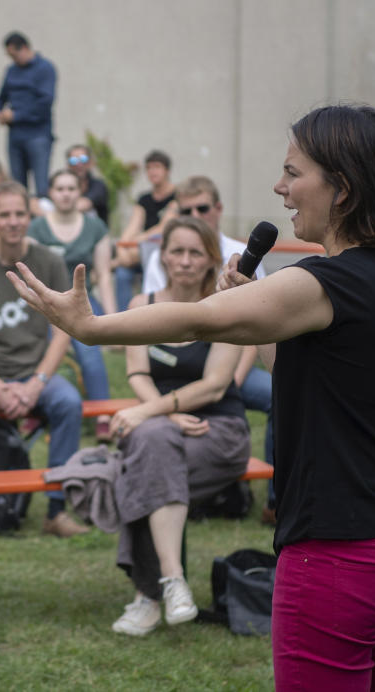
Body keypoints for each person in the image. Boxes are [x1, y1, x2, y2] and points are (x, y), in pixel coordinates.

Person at [8, 104, 375, 689]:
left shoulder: (324, 282)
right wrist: (260, 317)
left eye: (294, 172)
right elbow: (310, 374)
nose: (279, 187)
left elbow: (196, 319)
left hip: (341, 556)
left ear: (343, 188)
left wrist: (91, 327)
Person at [110, 216, 250, 636]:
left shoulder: (225, 308)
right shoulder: (141, 306)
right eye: (177, 251)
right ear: (163, 255)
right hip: (161, 427)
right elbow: (137, 374)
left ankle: (148, 597)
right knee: (152, 448)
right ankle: (172, 583)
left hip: (218, 431)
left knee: (142, 462)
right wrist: (162, 415)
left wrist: (149, 414)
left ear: (211, 259)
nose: (185, 261)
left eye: (195, 253)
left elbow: (215, 384)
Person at [0, 180, 87, 545]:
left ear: (30, 217)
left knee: (69, 402)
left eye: (20, 214)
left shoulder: (49, 261)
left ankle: (57, 509)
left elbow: (63, 332)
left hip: (34, 373)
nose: (13, 221)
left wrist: (37, 382)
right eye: (5, 214)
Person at [143, 175, 274, 518]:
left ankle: (278, 497)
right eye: (187, 209)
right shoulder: (163, 267)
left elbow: (253, 326)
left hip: (239, 359)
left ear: (217, 208)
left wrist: (234, 377)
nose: (196, 214)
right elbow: (152, 317)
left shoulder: (241, 254)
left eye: (203, 207)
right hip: (188, 366)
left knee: (281, 393)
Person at [28, 169, 116, 441]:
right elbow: (30, 276)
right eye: (60, 189)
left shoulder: (95, 228)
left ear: (79, 193)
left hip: (83, 306)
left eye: (71, 189)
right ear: (51, 194)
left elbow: (103, 275)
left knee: (90, 356)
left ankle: (102, 416)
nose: (65, 194)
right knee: (35, 350)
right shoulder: (36, 228)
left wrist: (113, 318)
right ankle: (34, 409)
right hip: (46, 307)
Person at [0, 32, 56, 197]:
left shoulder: (45, 69)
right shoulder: (11, 70)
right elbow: (0, 97)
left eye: (14, 55)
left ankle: (41, 220)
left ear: (25, 48)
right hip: (15, 135)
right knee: (17, 187)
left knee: (41, 186)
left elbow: (44, 104)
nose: (13, 59)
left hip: (38, 135)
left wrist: (16, 116)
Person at [114, 150, 177, 311]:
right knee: (122, 273)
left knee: (133, 258)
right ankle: (123, 319)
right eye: (148, 168)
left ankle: (148, 315)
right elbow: (132, 227)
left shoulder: (178, 196)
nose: (152, 171)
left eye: (157, 167)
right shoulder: (144, 199)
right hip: (141, 248)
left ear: (167, 171)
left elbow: (162, 229)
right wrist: (122, 246)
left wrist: (130, 243)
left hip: (164, 248)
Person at [65, 144, 110, 226]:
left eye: (83, 159)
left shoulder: (98, 186)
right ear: (68, 164)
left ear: (91, 162)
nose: (79, 164)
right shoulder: (61, 184)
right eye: (73, 160)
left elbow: (83, 205)